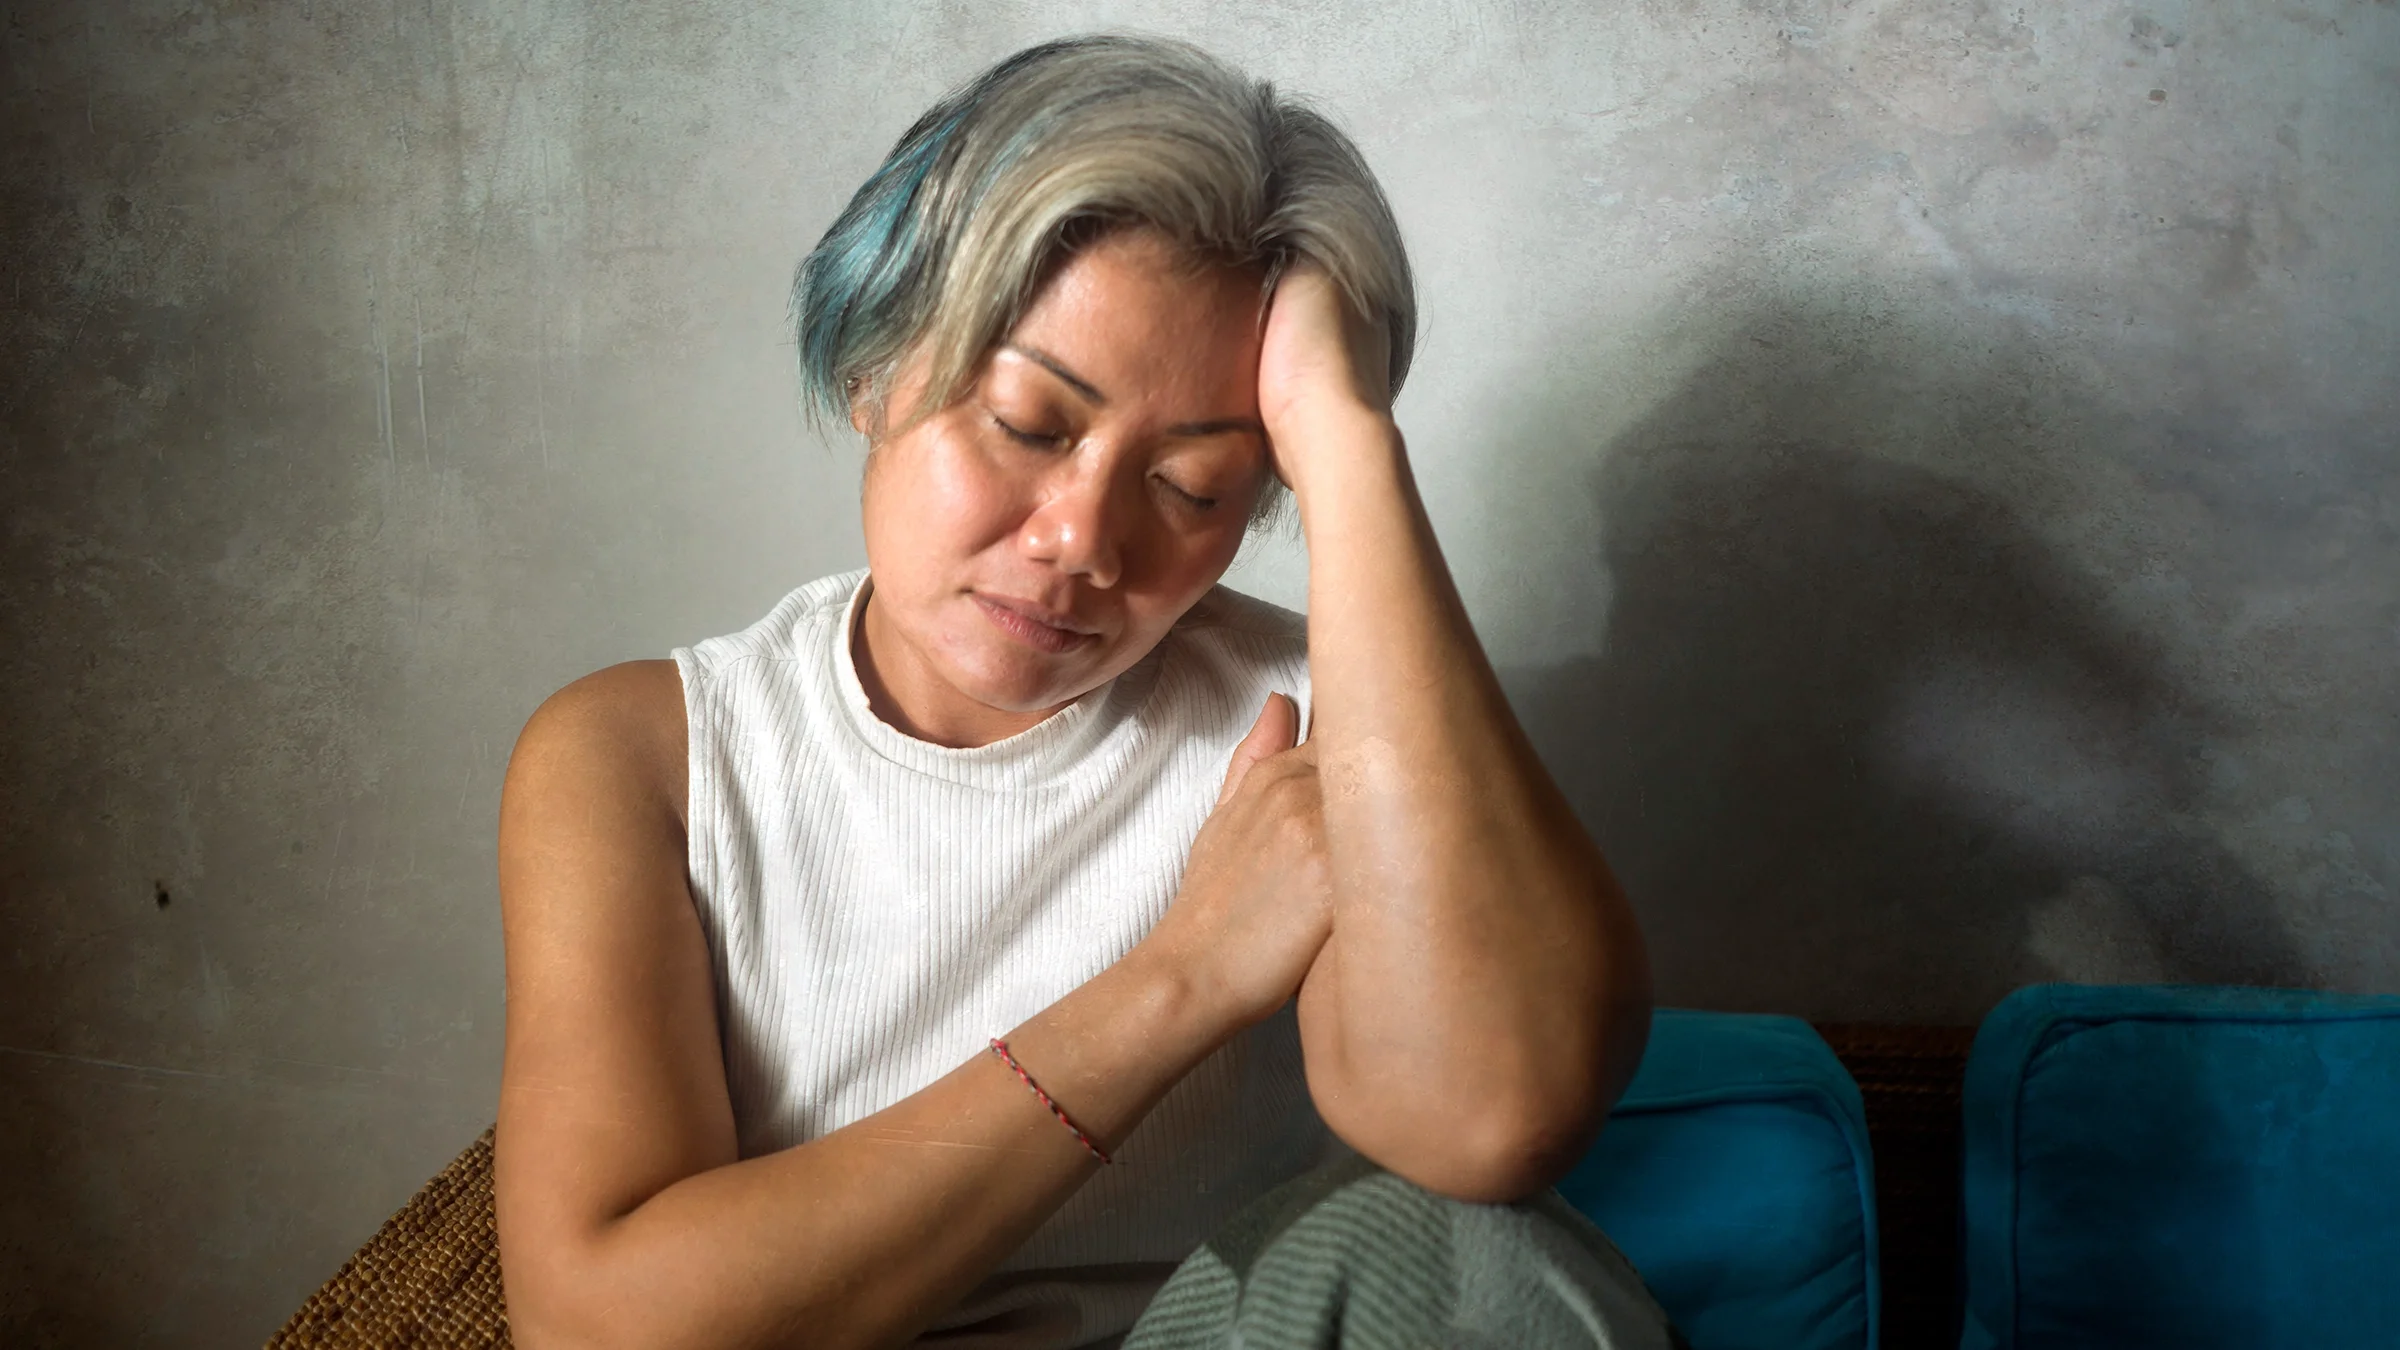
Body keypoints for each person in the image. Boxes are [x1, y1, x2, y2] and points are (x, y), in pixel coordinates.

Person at [492, 34, 1672, 1350]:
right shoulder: (643, 757)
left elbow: (1490, 1120)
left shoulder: (1335, 724)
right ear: (876, 368)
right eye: (1031, 424)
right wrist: (1187, 973)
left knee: (1462, 1244)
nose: (1084, 540)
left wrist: (1347, 445)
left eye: (1193, 486)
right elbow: (599, 1325)